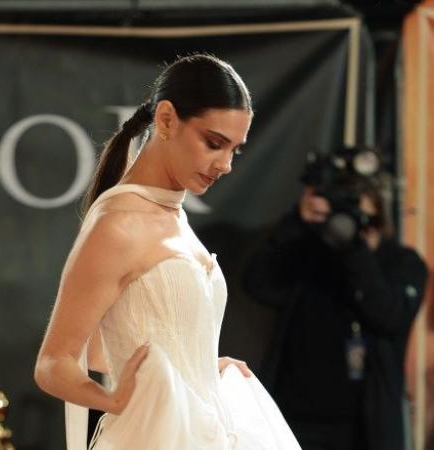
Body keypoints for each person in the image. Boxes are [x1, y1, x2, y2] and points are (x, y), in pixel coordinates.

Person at [34, 54, 302, 450]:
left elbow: (135, 341)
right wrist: (112, 400)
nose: (225, 164)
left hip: (206, 430)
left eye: (235, 150)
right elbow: (53, 363)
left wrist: (201, 370)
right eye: (214, 143)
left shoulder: (173, 217)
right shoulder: (118, 223)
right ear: (166, 120)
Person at [242, 176, 428, 450]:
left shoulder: (403, 264)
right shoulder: (311, 258)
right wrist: (297, 221)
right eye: (343, 221)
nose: (355, 230)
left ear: (382, 221)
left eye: (366, 221)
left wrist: (355, 249)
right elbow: (258, 284)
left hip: (363, 429)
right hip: (292, 422)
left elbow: (388, 315)